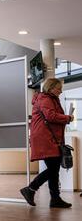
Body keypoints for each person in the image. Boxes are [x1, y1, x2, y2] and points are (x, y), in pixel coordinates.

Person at [20, 78, 73, 208]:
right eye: (58, 88)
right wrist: (67, 118)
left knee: (54, 169)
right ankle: (31, 189)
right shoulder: (45, 99)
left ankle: (55, 199)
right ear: (50, 88)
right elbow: (50, 116)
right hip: (45, 139)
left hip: (48, 138)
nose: (60, 91)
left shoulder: (49, 98)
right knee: (53, 168)